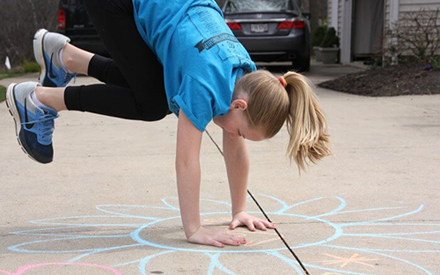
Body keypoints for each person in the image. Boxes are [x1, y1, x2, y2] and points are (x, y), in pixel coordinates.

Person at [5, 0, 331, 248]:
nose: (233, 136)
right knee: (151, 103)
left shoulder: (246, 75)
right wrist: (194, 229)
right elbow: (186, 160)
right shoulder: (204, 84)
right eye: (240, 130)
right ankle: (38, 99)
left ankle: (64, 57)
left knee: (153, 92)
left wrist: (239, 211)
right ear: (239, 105)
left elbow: (235, 150)